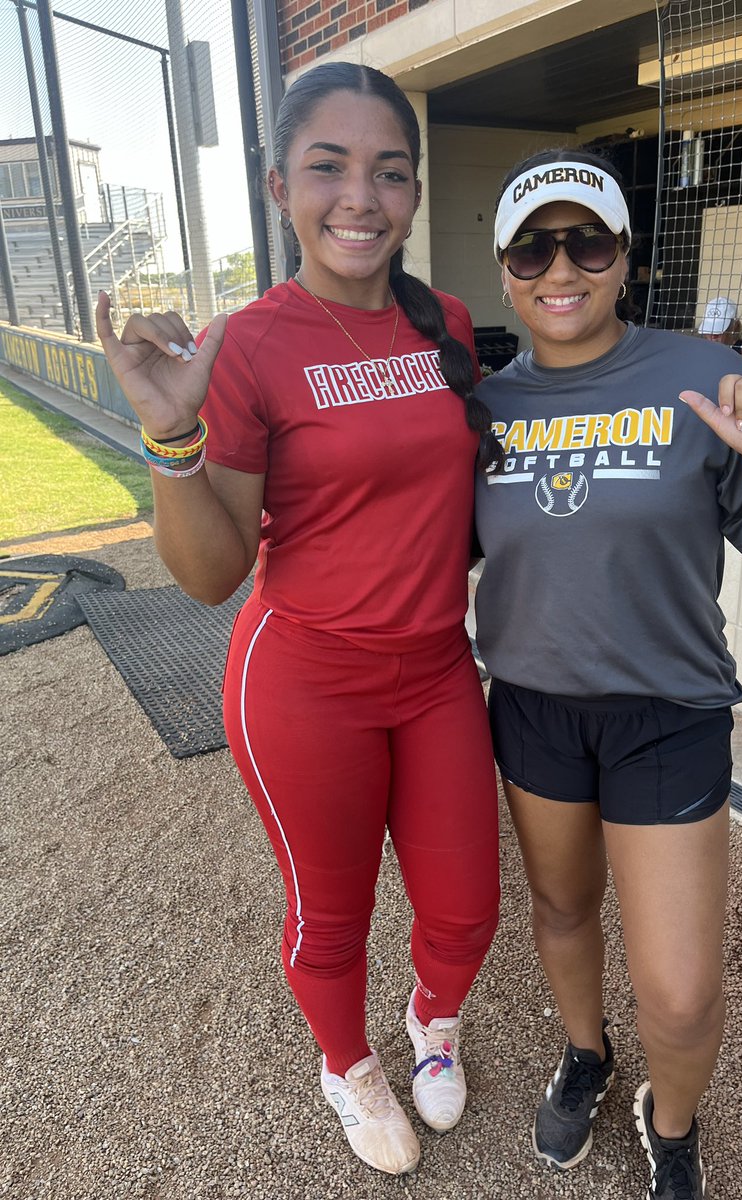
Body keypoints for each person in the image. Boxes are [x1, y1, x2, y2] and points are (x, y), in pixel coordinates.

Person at [96, 62, 504, 1178]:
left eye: (388, 172)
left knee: (467, 911)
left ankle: (432, 1027)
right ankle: (347, 1065)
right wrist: (171, 439)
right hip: (306, 680)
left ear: (415, 195)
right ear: (279, 186)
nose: (359, 197)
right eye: (329, 167)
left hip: (434, 673)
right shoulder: (253, 344)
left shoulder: (449, 324)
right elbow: (210, 574)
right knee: (331, 916)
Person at [473, 150, 742, 1199]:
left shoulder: (696, 376)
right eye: (534, 246)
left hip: (667, 712)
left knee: (679, 994)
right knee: (563, 907)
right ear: (505, 268)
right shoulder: (486, 406)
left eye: (587, 240)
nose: (560, 266)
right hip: (534, 708)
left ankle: (668, 1122)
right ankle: (586, 1053)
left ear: (625, 256)